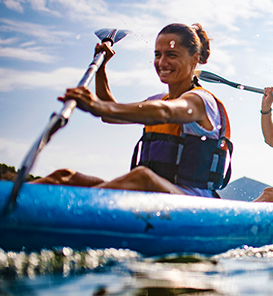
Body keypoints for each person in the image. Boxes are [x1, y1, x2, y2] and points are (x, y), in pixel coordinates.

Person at [33, 23, 232, 198]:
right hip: (153, 195)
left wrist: (96, 105)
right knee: (65, 176)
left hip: (193, 202)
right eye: (158, 54)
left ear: (194, 58)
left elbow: (164, 112)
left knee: (142, 177)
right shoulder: (157, 99)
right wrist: (101, 70)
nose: (162, 63)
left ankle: (73, 210)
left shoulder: (201, 101)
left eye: (171, 55)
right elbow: (110, 114)